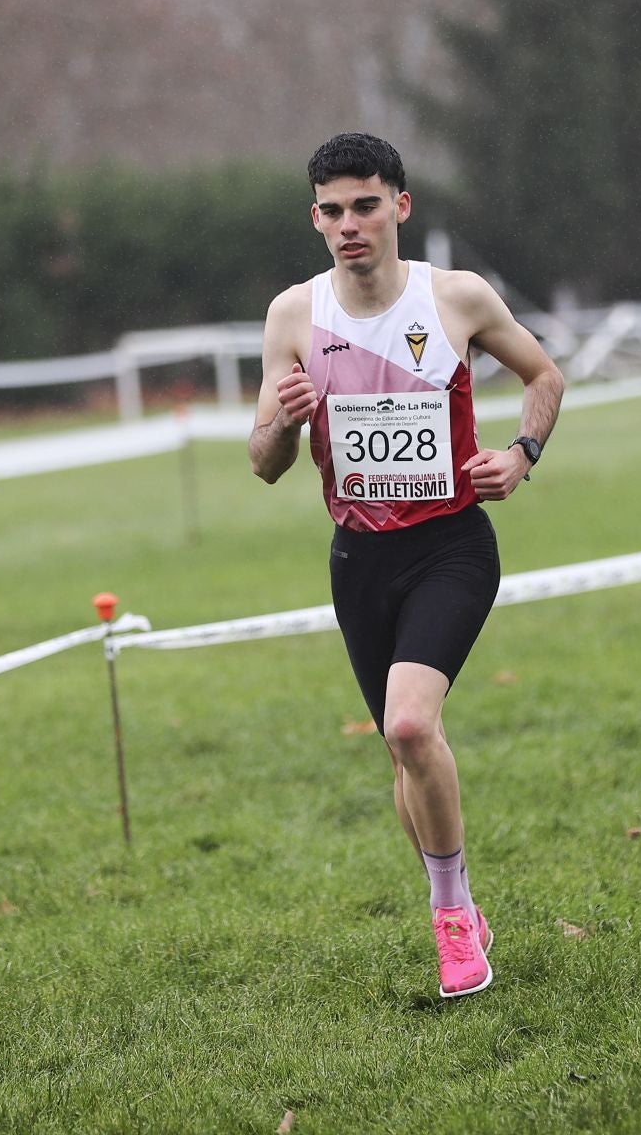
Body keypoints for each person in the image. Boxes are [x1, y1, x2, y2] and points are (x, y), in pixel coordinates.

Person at [250, 132, 564, 998]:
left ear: (400, 206)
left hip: (452, 546)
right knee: (405, 755)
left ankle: (453, 918)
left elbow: (545, 374)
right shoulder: (293, 316)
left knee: (409, 728)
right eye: (332, 211)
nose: (349, 225)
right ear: (314, 218)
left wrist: (522, 454)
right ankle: (455, 900)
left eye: (365, 205)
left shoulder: (455, 297)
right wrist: (283, 417)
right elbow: (263, 462)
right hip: (359, 560)